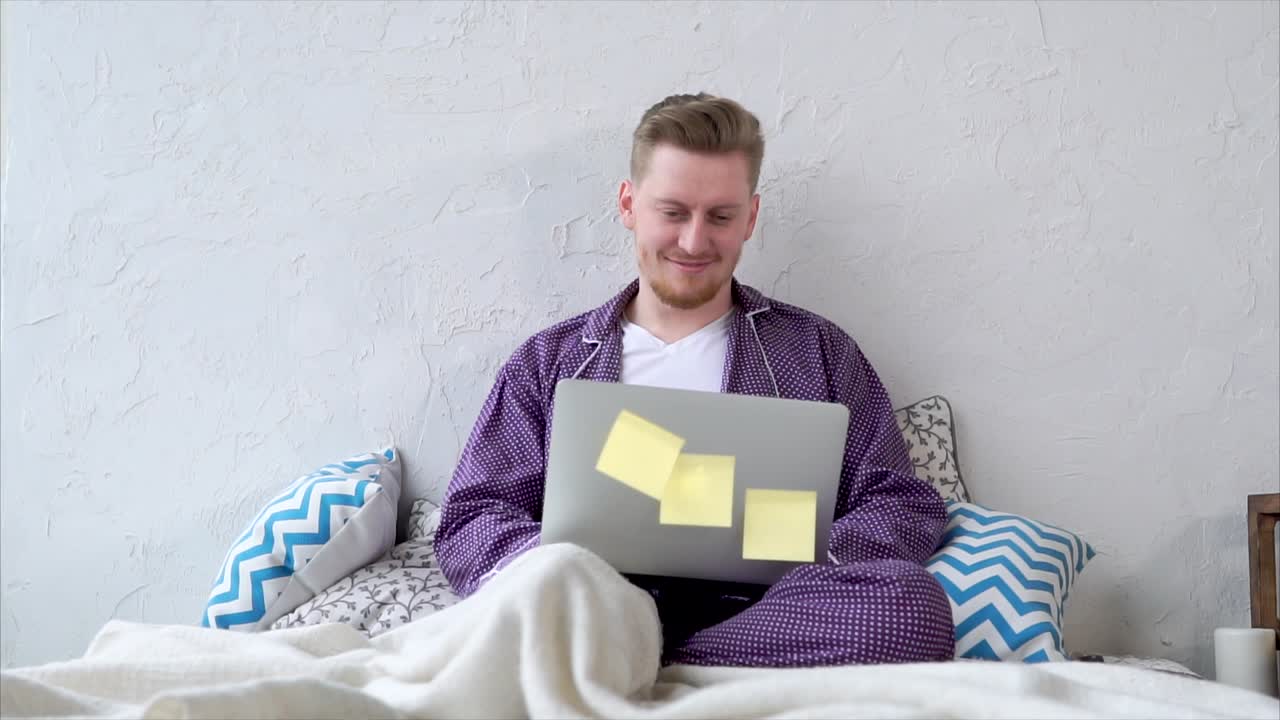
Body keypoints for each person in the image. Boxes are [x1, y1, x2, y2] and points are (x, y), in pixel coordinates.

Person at [435, 93, 955, 668]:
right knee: (528, 606)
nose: (693, 241)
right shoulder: (549, 362)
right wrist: (569, 575)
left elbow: (900, 500)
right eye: (673, 212)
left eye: (721, 216)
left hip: (774, 609)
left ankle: (652, 660)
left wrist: (814, 555)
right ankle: (622, 640)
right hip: (594, 606)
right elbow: (472, 516)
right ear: (629, 205)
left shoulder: (817, 351)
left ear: (751, 218)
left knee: (912, 607)